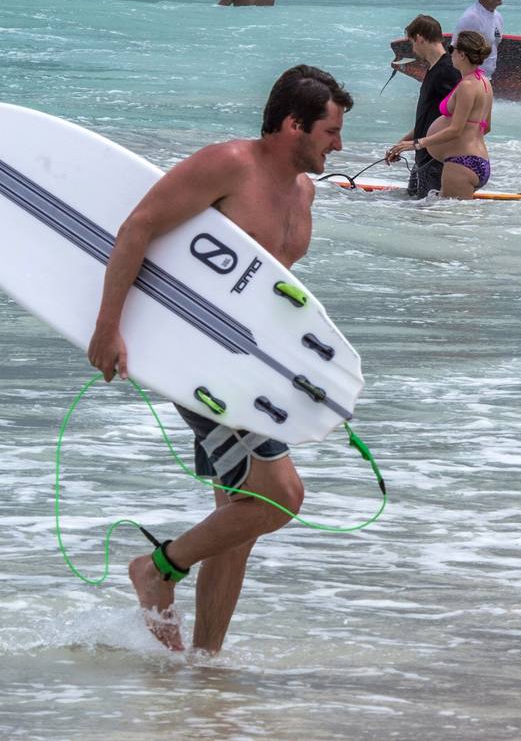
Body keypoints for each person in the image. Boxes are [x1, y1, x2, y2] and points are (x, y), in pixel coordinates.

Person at [87, 65, 352, 653]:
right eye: (330, 131)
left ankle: (205, 666)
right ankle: (157, 568)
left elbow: (272, 295)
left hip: (252, 368)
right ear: (292, 124)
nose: (339, 144)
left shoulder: (304, 191)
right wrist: (109, 327)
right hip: (200, 365)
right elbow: (139, 228)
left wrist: (303, 371)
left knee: (237, 521)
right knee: (279, 497)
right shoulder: (229, 165)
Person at [385, 31, 493, 199]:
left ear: (462, 55)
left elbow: (455, 130)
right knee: (450, 220)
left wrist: (418, 143)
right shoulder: (485, 83)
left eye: (452, 49)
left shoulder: (467, 86)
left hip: (461, 164)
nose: (450, 54)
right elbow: (486, 127)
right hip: (478, 161)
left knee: (446, 223)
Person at [394, 15, 462, 198]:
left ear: (419, 38)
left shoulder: (448, 69)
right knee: (414, 210)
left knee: (427, 218)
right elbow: (428, 117)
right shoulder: (433, 69)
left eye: (412, 43)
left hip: (435, 159)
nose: (413, 49)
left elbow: (457, 118)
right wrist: (402, 143)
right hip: (422, 156)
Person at [456, 0, 503, 78]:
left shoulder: (498, 17)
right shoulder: (471, 18)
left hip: (486, 78)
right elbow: (456, 51)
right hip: (470, 79)